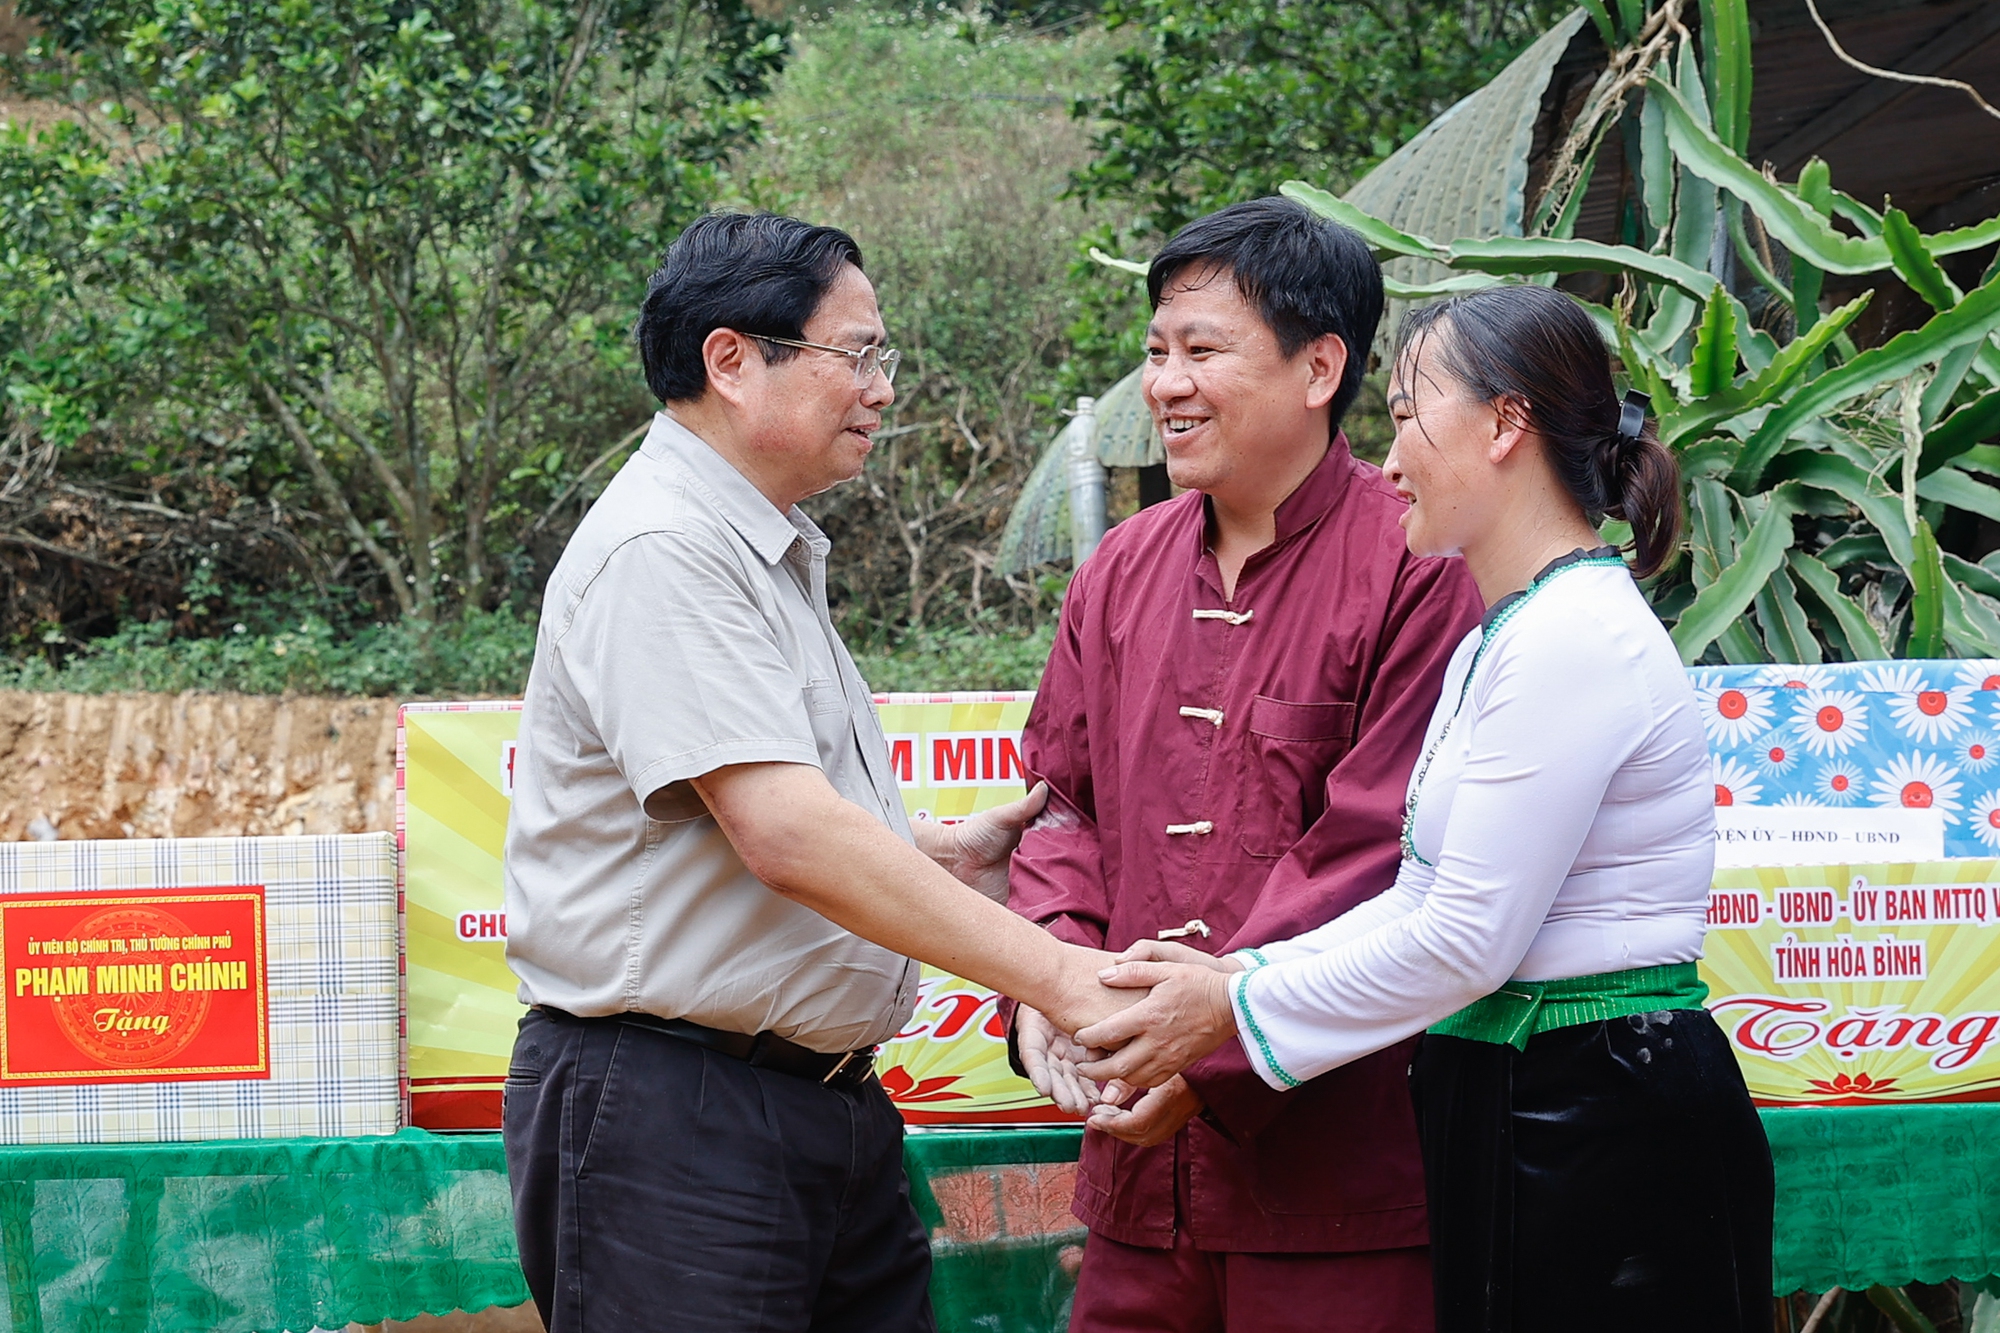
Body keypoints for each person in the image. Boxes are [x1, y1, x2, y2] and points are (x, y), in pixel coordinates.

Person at [1074, 283, 1775, 1331]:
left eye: (1407, 416)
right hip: (1519, 1093)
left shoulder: (1571, 637)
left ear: (1504, 424)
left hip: (1602, 1104)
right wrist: (1241, 971)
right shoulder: (1507, 633)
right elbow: (1422, 895)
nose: (1389, 461)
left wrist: (1230, 1010)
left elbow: (1466, 938)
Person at [500, 211, 1135, 1333]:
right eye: (857, 354)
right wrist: (1063, 981)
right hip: (674, 1115)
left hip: (809, 1103)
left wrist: (936, 858)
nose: (880, 388)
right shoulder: (667, 549)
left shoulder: (761, 545)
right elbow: (787, 833)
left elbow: (757, 820)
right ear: (732, 361)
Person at [1003, 197, 1485, 1332]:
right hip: (1132, 1184)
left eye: (1201, 351)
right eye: (1155, 351)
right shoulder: (1116, 570)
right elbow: (1058, 808)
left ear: (1319, 366)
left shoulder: (1417, 566)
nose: (1164, 384)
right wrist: (1055, 994)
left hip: (1338, 1186)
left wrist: (1206, 1049)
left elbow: (1380, 851)